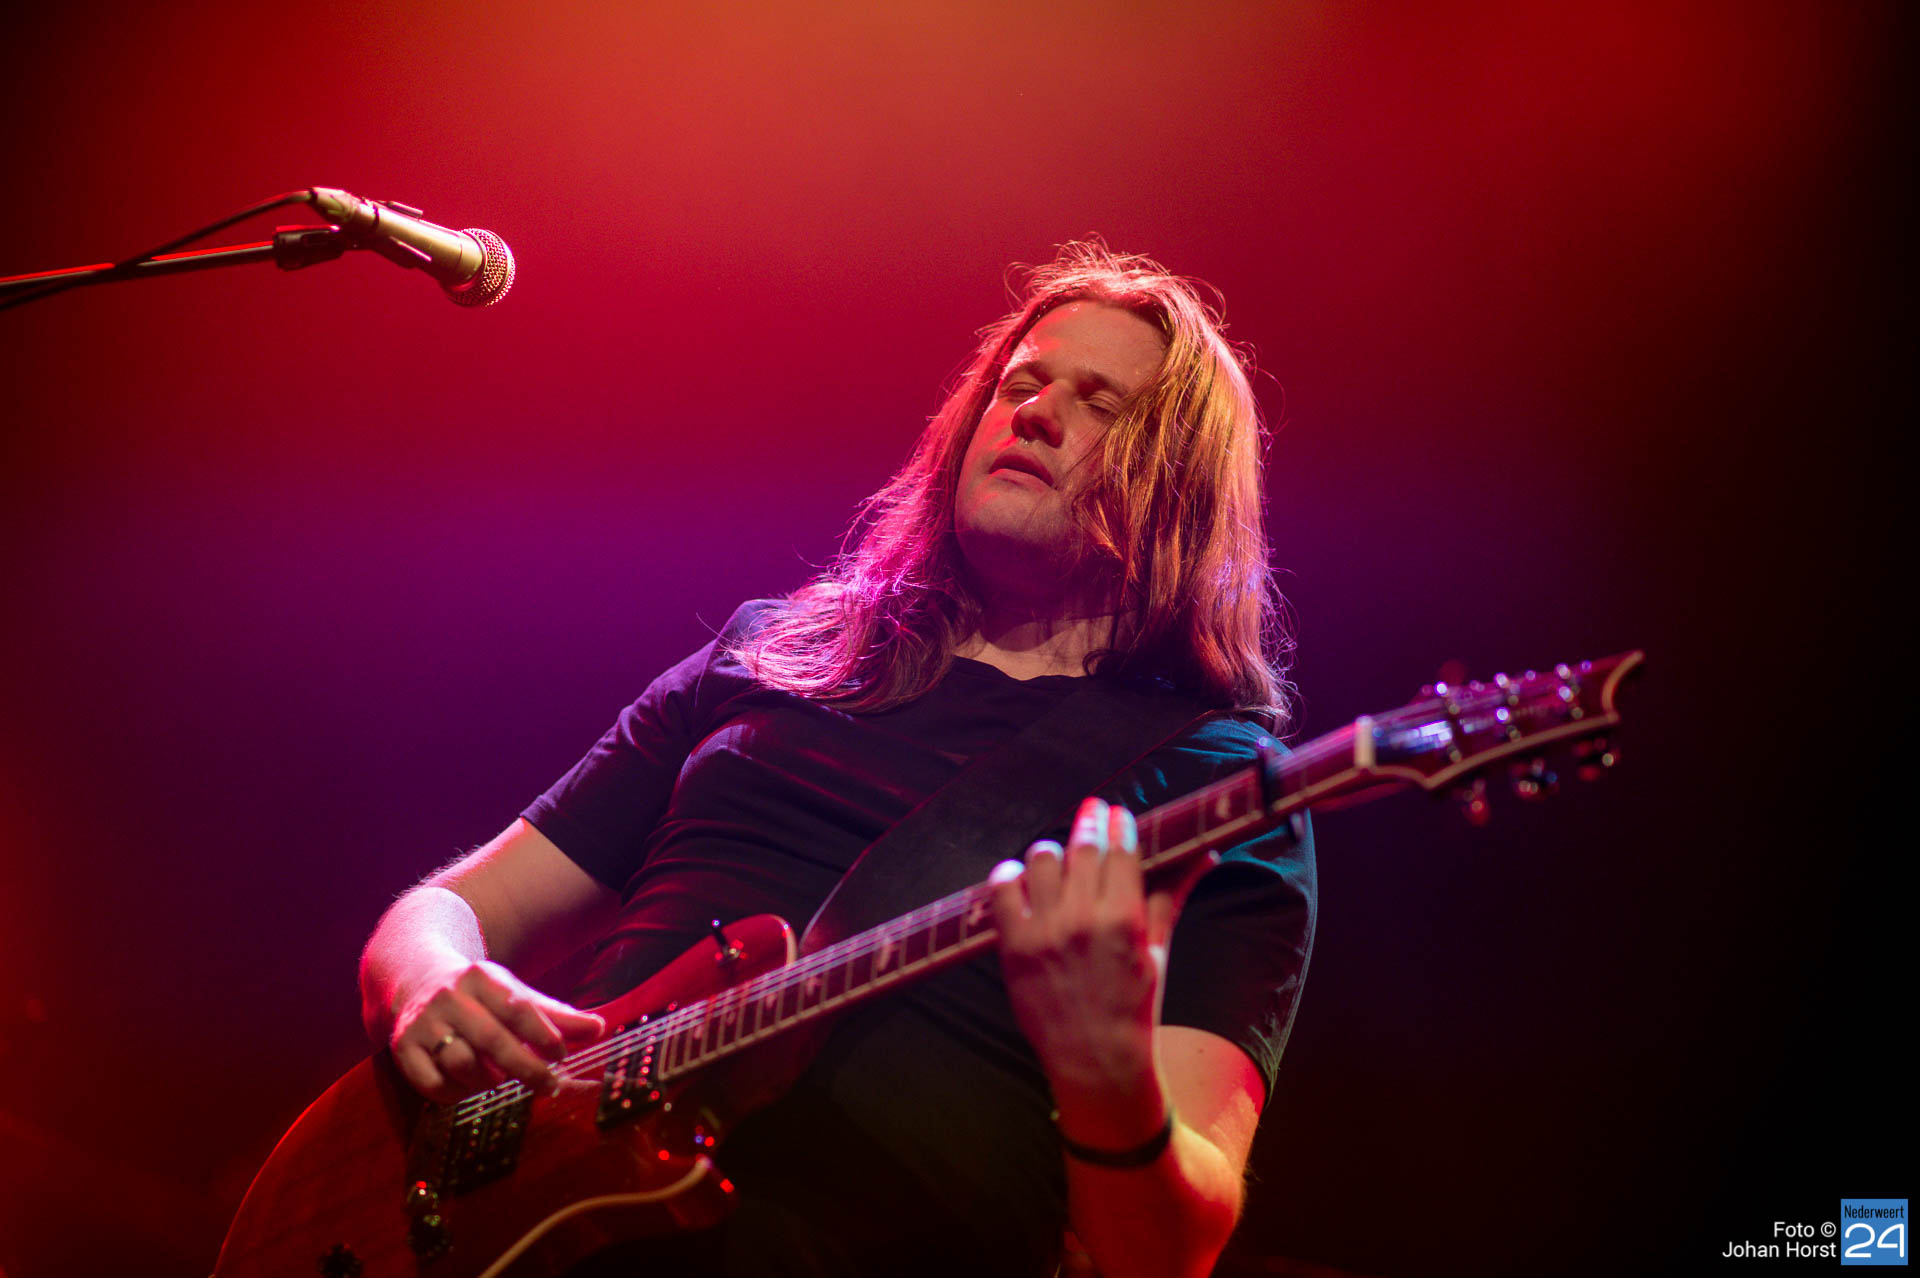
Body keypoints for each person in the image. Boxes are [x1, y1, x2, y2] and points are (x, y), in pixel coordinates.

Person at [358, 243, 1317, 1278]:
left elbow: (1170, 1250)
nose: (1036, 414)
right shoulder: (774, 652)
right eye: (1020, 384)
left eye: (1100, 404)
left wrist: (1107, 1068)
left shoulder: (1218, 781)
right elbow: (453, 907)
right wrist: (425, 983)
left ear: (1179, 482)